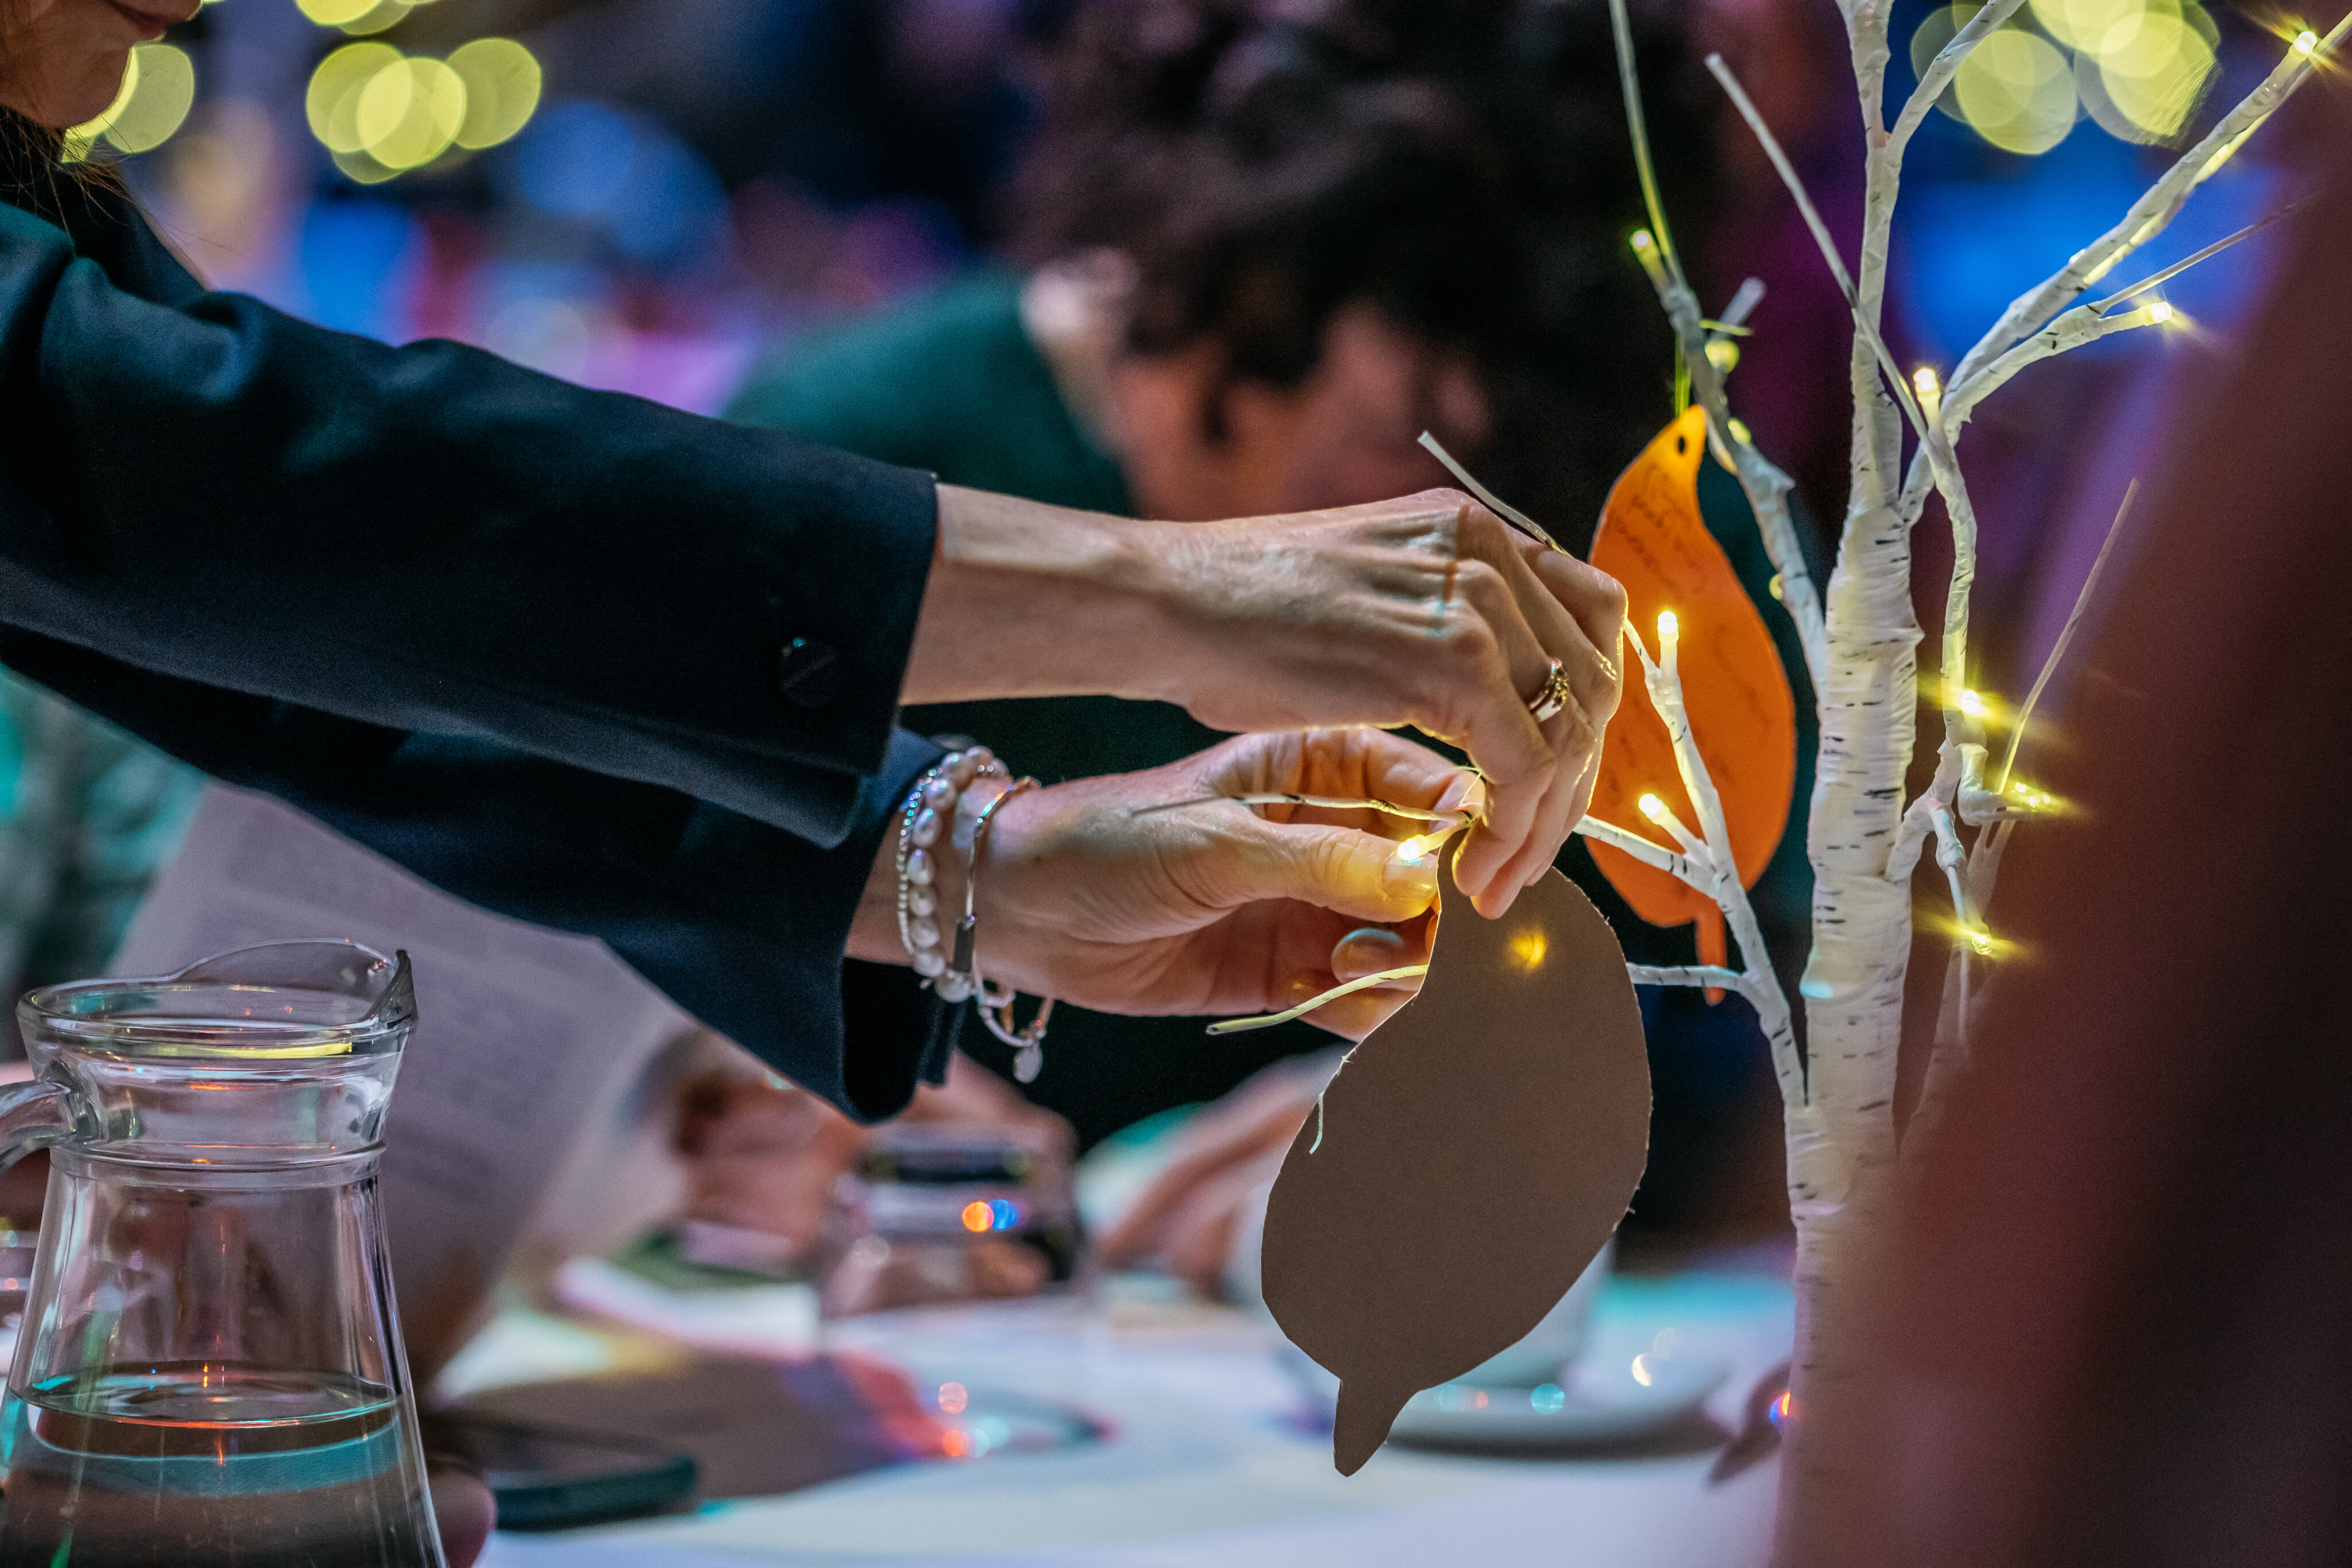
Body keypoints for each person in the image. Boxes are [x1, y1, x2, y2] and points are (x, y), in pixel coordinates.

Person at [0, 0, 1627, 1126]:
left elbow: (342, 674)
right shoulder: (897, 395)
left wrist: (988, 866)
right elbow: (267, 474)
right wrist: (1169, 591)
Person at [731, 0, 1812, 1234]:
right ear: (1180, 276)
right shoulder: (854, 460)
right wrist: (736, 1069)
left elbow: (1783, 1023)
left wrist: (1517, 1102)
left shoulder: (1642, 511)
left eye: (1462, 460)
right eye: (1378, 441)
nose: (1408, 529)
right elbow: (600, 873)